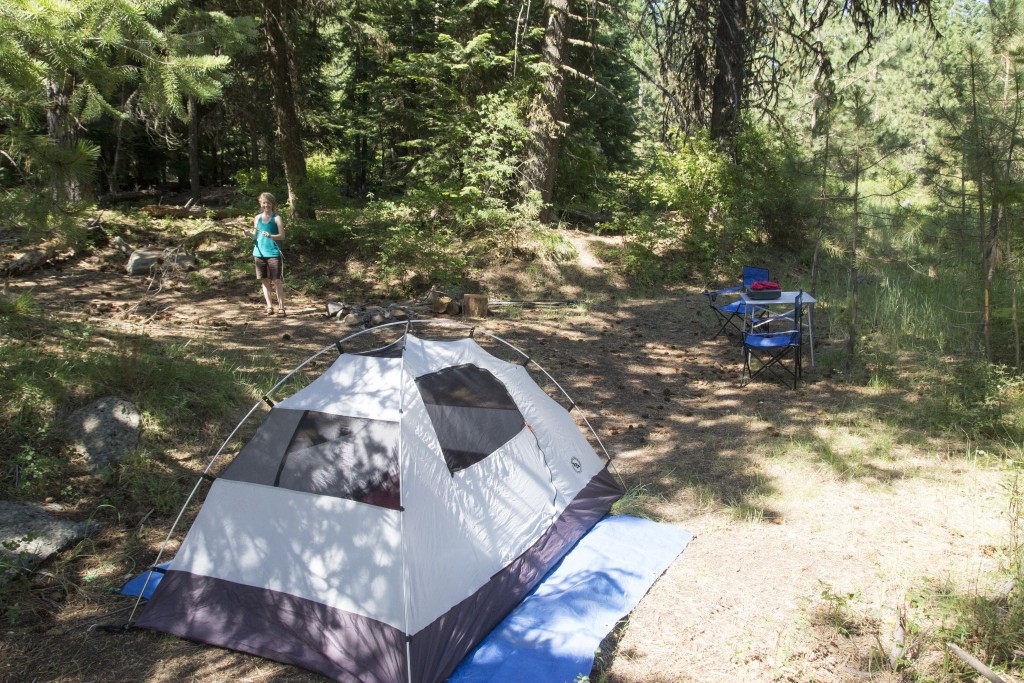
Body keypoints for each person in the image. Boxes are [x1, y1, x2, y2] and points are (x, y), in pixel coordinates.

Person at [248, 192, 287, 316]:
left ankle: (281, 308)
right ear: (260, 204)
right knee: (265, 281)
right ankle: (269, 306)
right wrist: (247, 234)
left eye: (268, 203)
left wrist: (271, 236)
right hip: (259, 253)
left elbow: (282, 236)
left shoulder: (277, 218)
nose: (266, 205)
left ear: (272, 204)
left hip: (274, 253)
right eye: (263, 203)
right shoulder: (257, 218)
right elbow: (255, 235)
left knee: (277, 281)